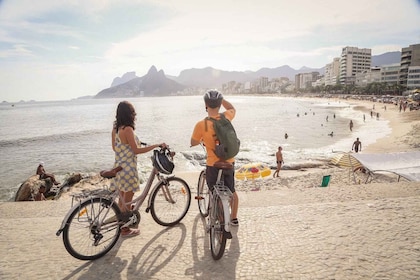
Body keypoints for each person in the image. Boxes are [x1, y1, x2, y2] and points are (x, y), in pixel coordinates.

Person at [111, 101, 167, 237]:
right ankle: (125, 229)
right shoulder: (128, 129)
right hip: (128, 169)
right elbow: (136, 150)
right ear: (129, 114)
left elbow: (115, 148)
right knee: (128, 201)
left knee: (122, 199)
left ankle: (120, 226)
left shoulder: (116, 129)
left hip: (118, 167)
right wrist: (155, 145)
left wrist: (132, 144)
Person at [190, 90, 239, 226]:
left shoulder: (202, 124)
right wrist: (222, 99)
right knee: (232, 191)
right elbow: (232, 108)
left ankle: (219, 217)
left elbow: (193, 142)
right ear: (219, 104)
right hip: (229, 162)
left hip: (213, 164)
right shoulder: (226, 117)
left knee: (213, 191)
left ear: (206, 104)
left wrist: (201, 140)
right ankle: (234, 219)